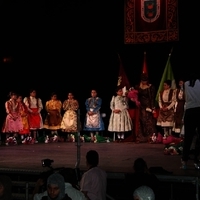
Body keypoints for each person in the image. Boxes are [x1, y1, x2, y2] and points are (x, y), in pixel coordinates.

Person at [181, 72, 200, 170]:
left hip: (189, 111)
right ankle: (197, 160)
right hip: (198, 110)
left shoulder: (185, 84)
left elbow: (183, 97)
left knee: (188, 138)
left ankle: (184, 161)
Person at [135, 73, 157, 143]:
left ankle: (151, 137)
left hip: (148, 106)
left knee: (149, 121)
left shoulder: (151, 87)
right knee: (142, 121)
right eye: (143, 80)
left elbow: (152, 97)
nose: (144, 82)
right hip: (141, 106)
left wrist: (153, 107)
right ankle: (142, 138)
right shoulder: (138, 87)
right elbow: (136, 96)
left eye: (145, 80)